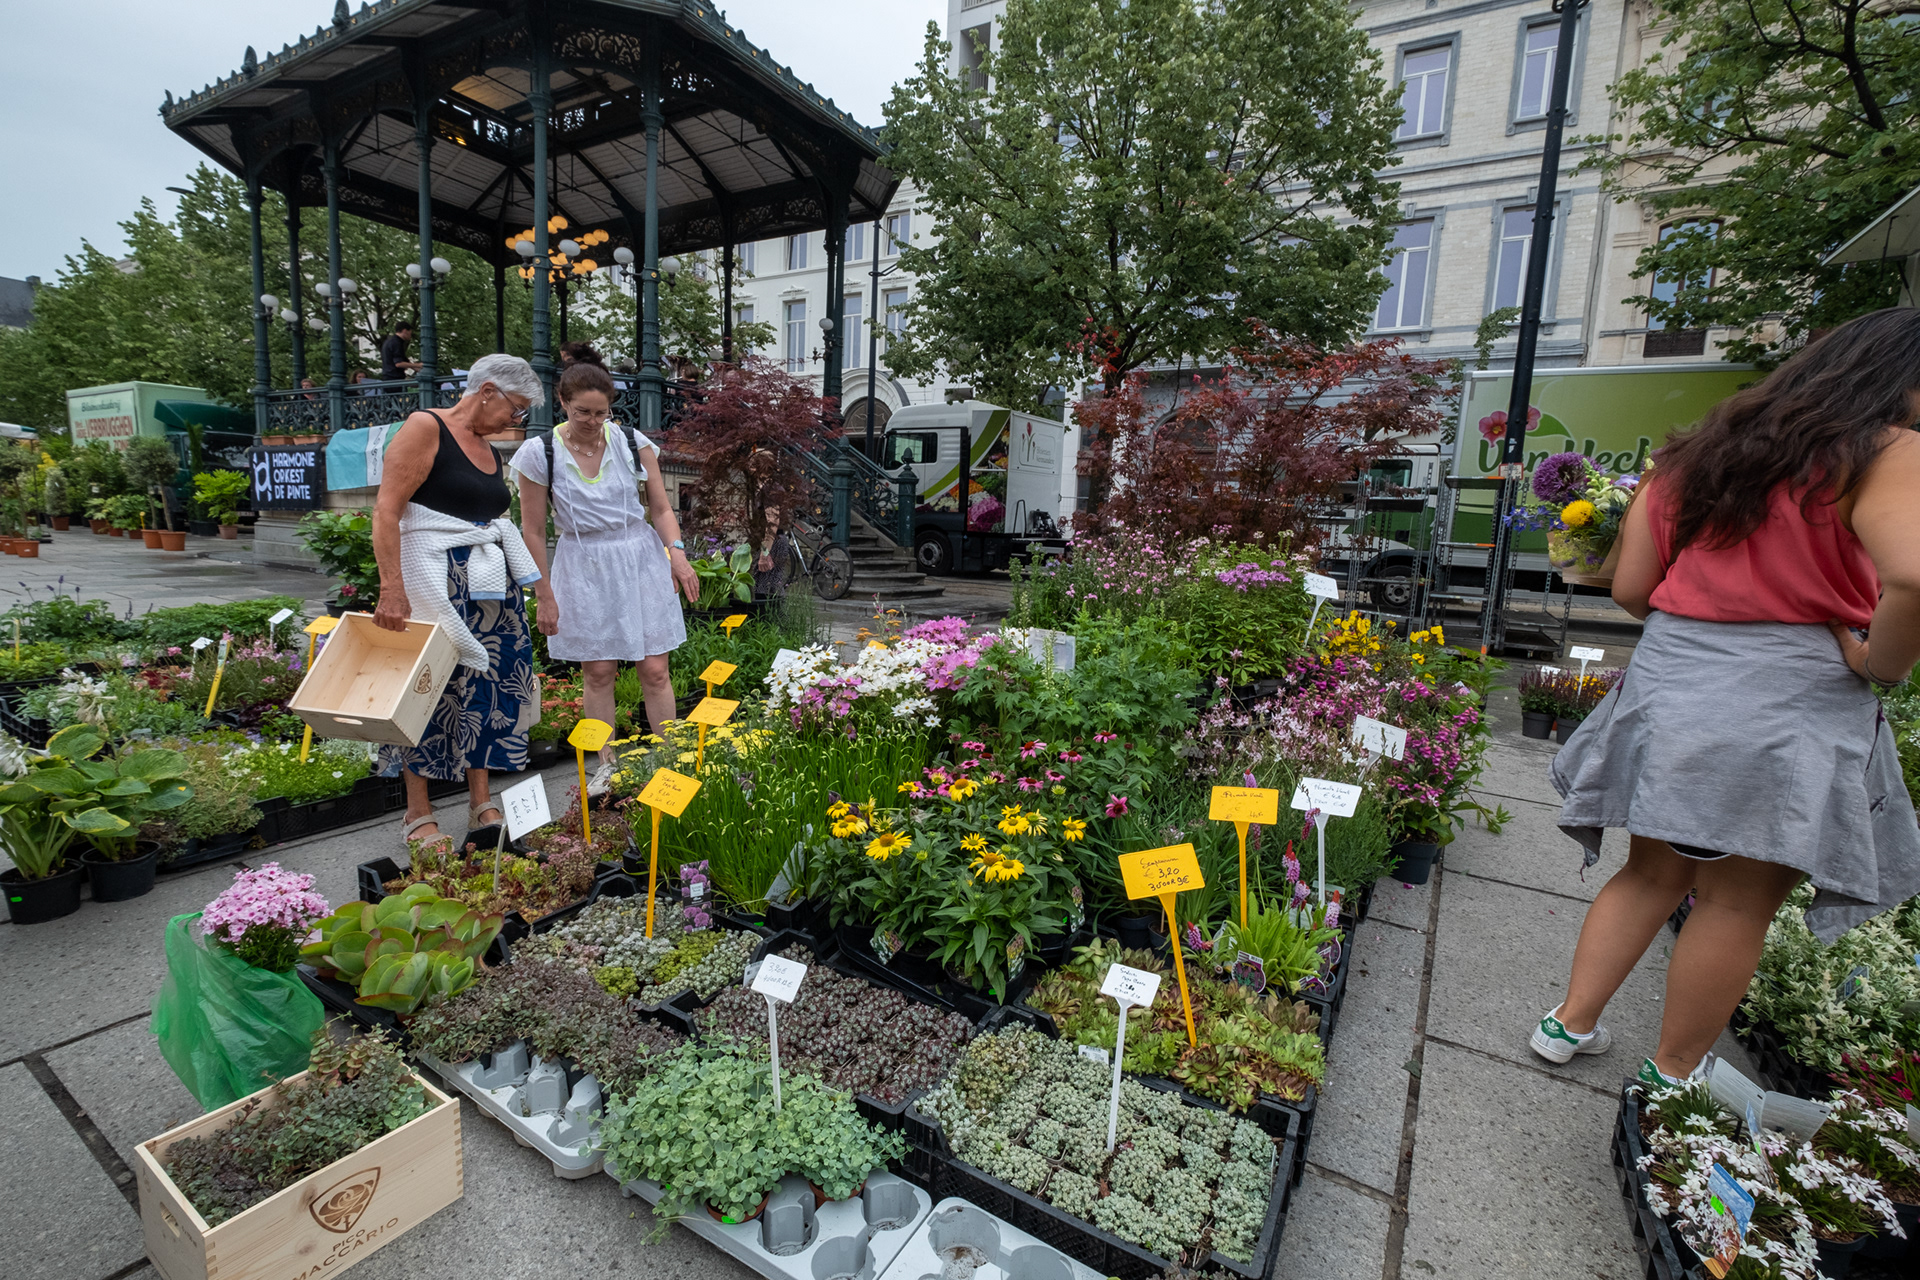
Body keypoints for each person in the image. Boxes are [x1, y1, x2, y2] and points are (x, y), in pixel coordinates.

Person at [1534, 307, 1920, 1088]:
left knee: (1651, 871)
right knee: (1739, 901)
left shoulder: (1696, 455)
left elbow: (1636, 587)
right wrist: (1882, 663)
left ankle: (1566, 1025)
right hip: (1790, 696)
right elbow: (1913, 574)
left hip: (1675, 680)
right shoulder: (1884, 451)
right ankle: (1672, 1074)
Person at [371, 353, 544, 851]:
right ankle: (418, 812)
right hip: (433, 584)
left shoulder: (490, 448)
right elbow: (387, 511)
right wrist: (391, 588)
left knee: (487, 694)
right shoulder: (425, 428)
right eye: (515, 408)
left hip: (489, 593)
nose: (517, 420)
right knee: (426, 691)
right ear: (487, 390)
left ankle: (480, 801)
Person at [512, 360, 698, 780]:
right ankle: (606, 767)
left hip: (639, 556)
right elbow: (534, 532)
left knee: (655, 668)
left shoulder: (632, 443)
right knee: (598, 672)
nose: (592, 422)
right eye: (582, 412)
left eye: (601, 413)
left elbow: (661, 507)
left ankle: (671, 761)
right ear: (562, 403)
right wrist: (544, 594)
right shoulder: (539, 453)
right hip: (583, 562)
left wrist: (679, 554)